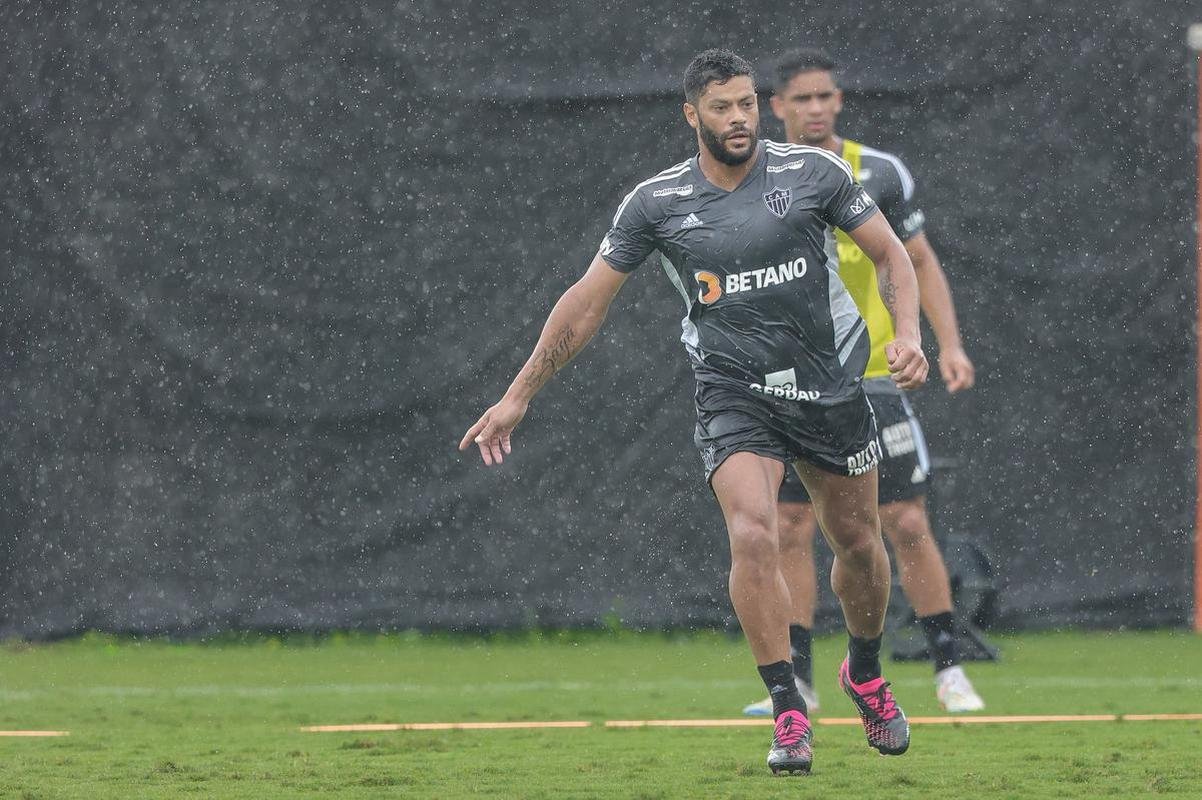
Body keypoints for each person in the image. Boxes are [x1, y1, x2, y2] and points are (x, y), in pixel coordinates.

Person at [460, 48, 928, 775]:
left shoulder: (814, 175)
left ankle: (863, 671)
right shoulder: (656, 202)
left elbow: (895, 258)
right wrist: (518, 394)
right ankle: (789, 712)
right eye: (721, 108)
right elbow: (586, 303)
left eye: (745, 104)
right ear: (691, 114)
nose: (738, 118)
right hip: (733, 391)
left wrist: (908, 336)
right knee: (752, 533)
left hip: (830, 387)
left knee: (861, 547)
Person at [740, 48, 985, 718]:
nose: (817, 108)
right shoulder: (753, 177)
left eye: (827, 96)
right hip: (792, 384)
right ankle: (801, 681)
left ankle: (948, 668)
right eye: (803, 98)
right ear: (778, 106)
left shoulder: (878, 172)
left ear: (839, 101)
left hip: (875, 379)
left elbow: (919, 261)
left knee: (904, 519)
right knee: (789, 527)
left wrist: (947, 342)